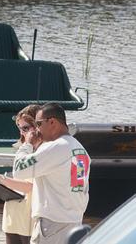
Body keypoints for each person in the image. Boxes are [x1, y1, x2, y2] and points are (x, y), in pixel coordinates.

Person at [13, 103, 91, 244]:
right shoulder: (80, 149)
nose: (36, 129)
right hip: (73, 222)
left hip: (52, 225)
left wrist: (28, 144)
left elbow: (18, 170)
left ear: (52, 122)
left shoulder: (55, 147)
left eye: (38, 124)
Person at [0, 105, 42, 244]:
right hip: (14, 212)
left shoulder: (43, 151)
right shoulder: (24, 148)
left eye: (25, 128)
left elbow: (29, 186)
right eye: (19, 128)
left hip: (29, 215)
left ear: (37, 126)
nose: (22, 132)